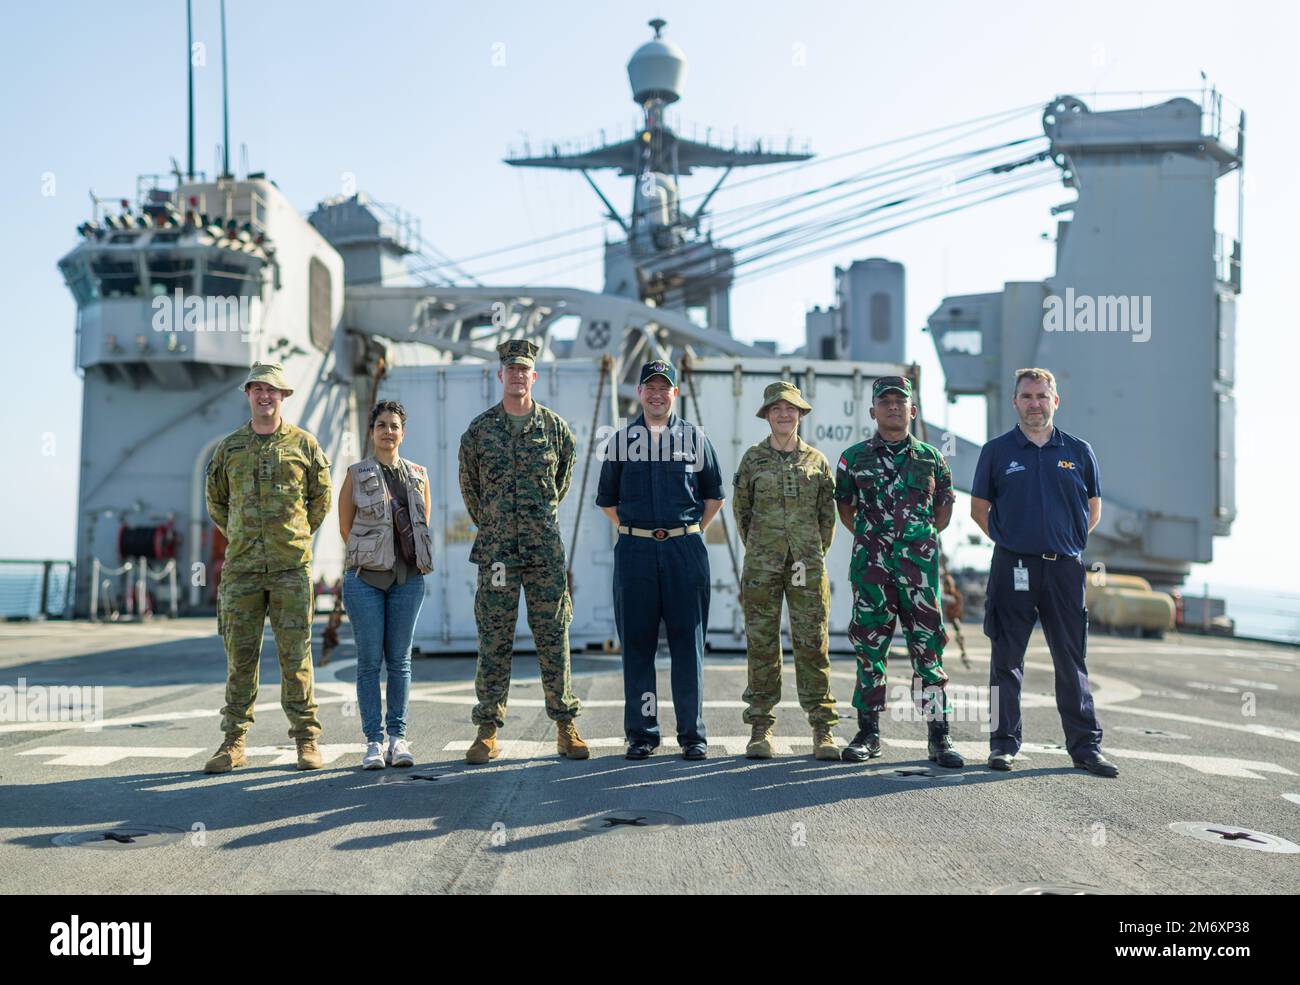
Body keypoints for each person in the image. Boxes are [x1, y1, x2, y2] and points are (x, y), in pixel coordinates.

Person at [970, 367, 1117, 777]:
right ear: (1015, 402)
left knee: (1071, 660)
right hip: (1012, 566)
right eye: (1027, 396)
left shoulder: (1080, 451)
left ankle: (1086, 748)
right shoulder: (997, 452)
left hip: (1065, 570)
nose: (1035, 404)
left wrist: (1062, 541)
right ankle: (1002, 745)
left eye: (1041, 396)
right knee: (1006, 660)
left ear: (1056, 401)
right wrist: (1016, 540)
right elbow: (979, 510)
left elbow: (1093, 509)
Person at [458, 340, 587, 764]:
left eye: (524, 370)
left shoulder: (555, 429)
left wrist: (534, 519)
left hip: (544, 552)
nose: (517, 376)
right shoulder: (479, 432)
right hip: (497, 553)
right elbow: (471, 493)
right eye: (510, 369)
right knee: (493, 639)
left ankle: (566, 726)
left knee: (554, 636)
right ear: (500, 376)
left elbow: (562, 482)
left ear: (534, 377)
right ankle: (487, 730)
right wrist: (497, 524)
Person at [203, 361, 332, 773]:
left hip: (290, 568)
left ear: (283, 397)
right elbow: (216, 503)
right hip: (241, 570)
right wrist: (242, 535)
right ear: (248, 395)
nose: (264, 396)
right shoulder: (229, 448)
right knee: (240, 658)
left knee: (296, 658)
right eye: (257, 389)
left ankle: (307, 740)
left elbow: (321, 498)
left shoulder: (304, 445)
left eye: (272, 390)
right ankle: (233, 742)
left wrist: (292, 536)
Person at [596, 359, 724, 761]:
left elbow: (714, 496)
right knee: (638, 646)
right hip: (635, 552)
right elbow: (607, 501)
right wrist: (640, 533)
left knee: (688, 645)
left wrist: (684, 533)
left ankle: (692, 735)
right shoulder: (620, 440)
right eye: (649, 387)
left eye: (663, 387)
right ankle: (643, 733)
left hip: (684, 551)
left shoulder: (695, 438)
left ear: (675, 393)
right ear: (639, 393)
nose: (656, 393)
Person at [834, 376, 963, 768]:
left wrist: (914, 541)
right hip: (872, 570)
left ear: (912, 410)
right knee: (869, 649)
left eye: (899, 401)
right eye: (885, 401)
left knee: (929, 650)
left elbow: (942, 511)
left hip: (920, 572)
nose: (893, 406)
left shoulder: (932, 458)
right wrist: (875, 540)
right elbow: (845, 508)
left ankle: (939, 737)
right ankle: (868, 733)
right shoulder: (853, 458)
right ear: (873, 410)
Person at [732, 381, 840, 760]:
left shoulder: (817, 462)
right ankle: (761, 728)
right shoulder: (752, 461)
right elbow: (741, 513)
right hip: (763, 565)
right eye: (776, 409)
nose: (783, 414)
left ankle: (822, 729)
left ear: (800, 414)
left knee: (813, 642)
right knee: (762, 645)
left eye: (790, 409)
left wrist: (809, 552)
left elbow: (828, 517)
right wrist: (763, 548)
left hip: (806, 565)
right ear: (766, 415)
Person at [339, 401, 433, 770]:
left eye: (394, 425)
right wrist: (375, 556)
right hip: (365, 581)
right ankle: (373, 743)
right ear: (371, 431)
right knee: (368, 663)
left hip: (408, 581)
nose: (388, 431)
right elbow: (345, 526)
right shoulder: (355, 473)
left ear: (403, 433)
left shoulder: (419, 475)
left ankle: (398, 738)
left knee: (400, 661)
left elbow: (423, 522)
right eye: (381, 425)